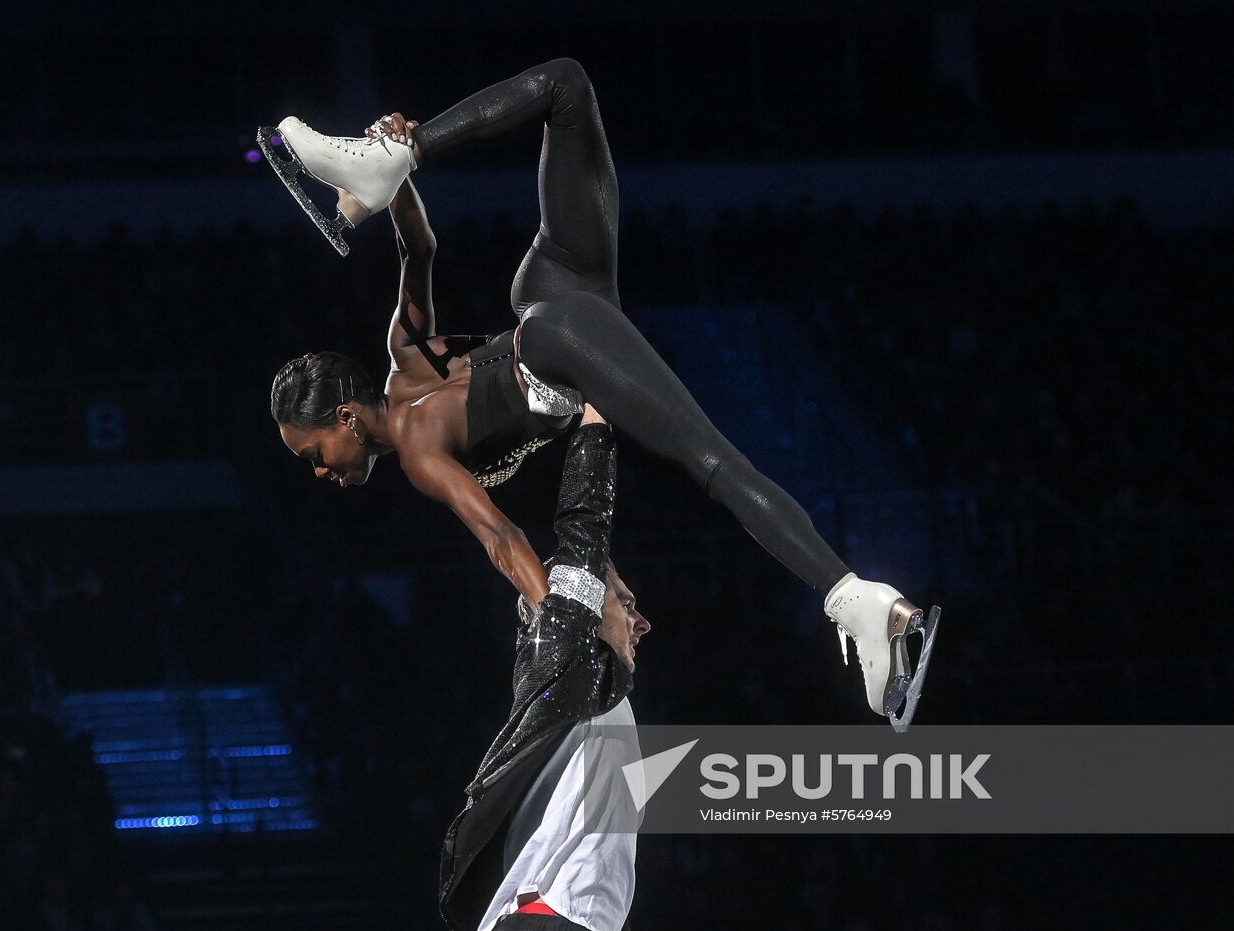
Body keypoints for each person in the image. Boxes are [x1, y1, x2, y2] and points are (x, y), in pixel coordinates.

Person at [265, 59, 938, 726]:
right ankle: (399, 152)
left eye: (314, 453)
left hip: (557, 339)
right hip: (556, 288)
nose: (322, 471)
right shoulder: (404, 353)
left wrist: (557, 627)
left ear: (347, 416)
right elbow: (419, 247)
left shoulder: (416, 451)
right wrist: (399, 170)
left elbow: (501, 537)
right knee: (566, 84)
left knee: (711, 461)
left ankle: (854, 600)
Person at [440, 407, 647, 931]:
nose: (641, 621)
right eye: (623, 602)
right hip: (548, 919)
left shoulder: (589, 694)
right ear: (577, 608)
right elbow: (584, 524)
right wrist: (595, 419)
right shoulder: (566, 663)